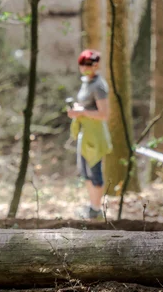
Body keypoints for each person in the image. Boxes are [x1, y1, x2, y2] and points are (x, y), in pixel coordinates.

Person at [67, 49, 112, 220]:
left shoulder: (99, 86)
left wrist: (82, 112)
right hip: (84, 134)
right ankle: (92, 207)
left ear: (96, 65)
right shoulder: (86, 82)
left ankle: (97, 209)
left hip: (95, 134)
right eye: (83, 64)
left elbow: (103, 115)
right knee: (86, 172)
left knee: (95, 171)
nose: (87, 68)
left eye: (90, 64)